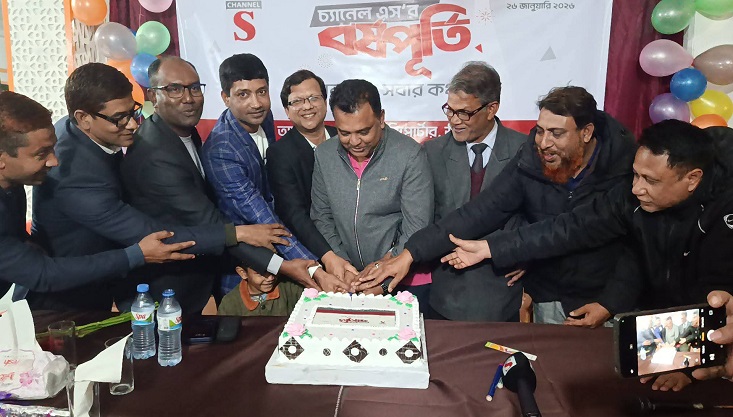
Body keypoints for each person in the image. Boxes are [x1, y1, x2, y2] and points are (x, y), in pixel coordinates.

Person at [359, 86, 641, 327]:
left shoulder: (625, 169)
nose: (544, 143)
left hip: (602, 298)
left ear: (586, 132)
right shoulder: (532, 156)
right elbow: (481, 211)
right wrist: (410, 253)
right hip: (548, 296)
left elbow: (572, 230)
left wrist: (610, 302)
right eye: (540, 131)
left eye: (556, 133)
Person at [31, 63, 300, 311]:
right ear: (83, 118)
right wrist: (246, 239)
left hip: (121, 282)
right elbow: (153, 236)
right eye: (119, 118)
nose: (132, 124)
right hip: (68, 299)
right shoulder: (79, 174)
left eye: (133, 111)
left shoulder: (173, 130)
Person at [444, 122, 733, 309]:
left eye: (650, 181)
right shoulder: (630, 198)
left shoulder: (725, 213)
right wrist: (491, 247)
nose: (637, 188)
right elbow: (568, 228)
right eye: (635, 175)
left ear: (692, 179)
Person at [0, 90, 195, 297]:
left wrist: (22, 245)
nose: (54, 161)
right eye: (41, 154)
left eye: (52, 148)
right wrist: (136, 255)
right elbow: (44, 274)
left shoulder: (12, 181)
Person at [202, 54, 344, 295]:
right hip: (247, 269)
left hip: (285, 252)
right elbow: (262, 215)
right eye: (243, 95)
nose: (256, 103)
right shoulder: (222, 149)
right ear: (226, 98)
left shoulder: (262, 117)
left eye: (262, 92)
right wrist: (316, 269)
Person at [311, 79, 434, 302]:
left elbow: (417, 225)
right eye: (344, 133)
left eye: (364, 131)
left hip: (404, 280)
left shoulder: (409, 155)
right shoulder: (324, 155)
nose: (354, 141)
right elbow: (322, 216)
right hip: (346, 280)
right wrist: (341, 264)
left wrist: (385, 271)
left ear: (381, 118)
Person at [422, 62, 525, 321]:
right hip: (446, 294)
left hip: (502, 293)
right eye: (450, 110)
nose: (454, 120)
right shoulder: (432, 153)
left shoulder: (524, 151)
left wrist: (529, 257)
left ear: (492, 109)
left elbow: (540, 217)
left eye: (464, 113)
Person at [266, 69, 357, 283]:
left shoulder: (346, 137)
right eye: (297, 101)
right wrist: (328, 256)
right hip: (317, 255)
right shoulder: (280, 154)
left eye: (313, 98)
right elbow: (294, 214)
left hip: (360, 246)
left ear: (325, 102)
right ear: (287, 111)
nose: (307, 106)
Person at [217, 263, 303, 316]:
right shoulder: (229, 303)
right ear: (243, 273)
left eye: (273, 270)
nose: (270, 278)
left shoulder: (290, 288)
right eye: (261, 273)